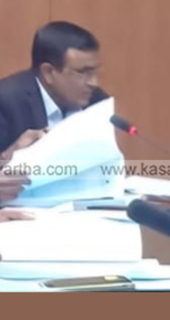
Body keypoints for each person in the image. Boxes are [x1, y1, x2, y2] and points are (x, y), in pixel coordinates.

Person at [0, 21, 108, 203]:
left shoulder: (97, 102)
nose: (93, 83)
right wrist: (9, 156)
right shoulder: (6, 100)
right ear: (49, 72)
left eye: (95, 72)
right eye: (83, 73)